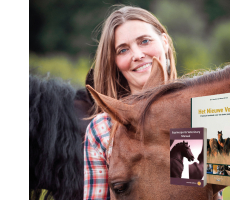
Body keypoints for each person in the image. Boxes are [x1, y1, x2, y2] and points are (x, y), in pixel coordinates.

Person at [84, 5, 177, 200]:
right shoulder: (102, 128)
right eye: (123, 50)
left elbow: (201, 191)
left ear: (165, 41)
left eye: (144, 41)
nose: (137, 55)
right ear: (115, 62)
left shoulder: (196, 111)